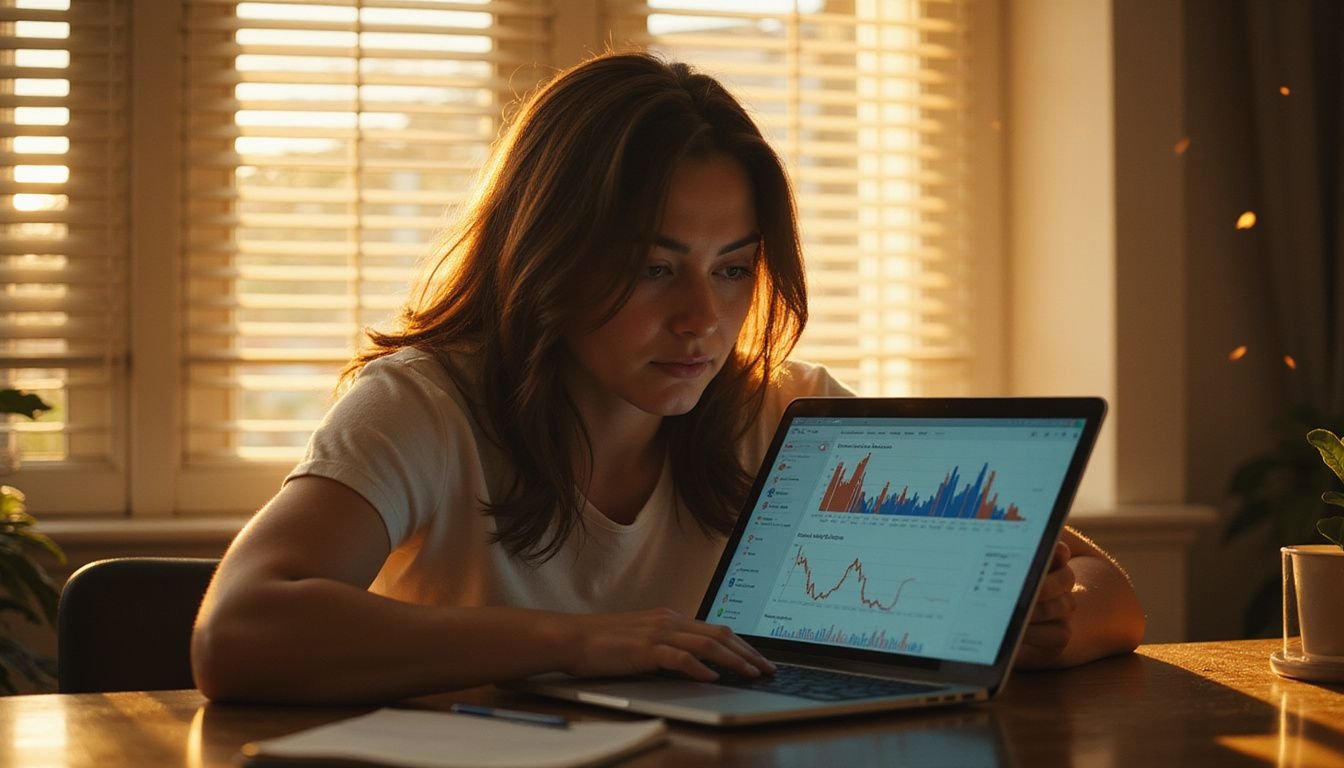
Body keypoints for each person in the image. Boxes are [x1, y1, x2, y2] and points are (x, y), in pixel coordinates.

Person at [191, 51, 1145, 704]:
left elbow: (1108, 589)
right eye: (655, 267)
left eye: (732, 269)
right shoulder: (425, 405)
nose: (702, 318)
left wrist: (1056, 626)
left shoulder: (786, 408)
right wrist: (580, 642)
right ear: (549, 256)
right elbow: (238, 632)